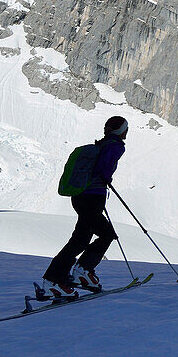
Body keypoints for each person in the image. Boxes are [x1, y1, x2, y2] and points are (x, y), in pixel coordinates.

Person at [36, 116, 128, 298]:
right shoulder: (115, 145)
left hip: (81, 196)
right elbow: (103, 169)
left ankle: (75, 274)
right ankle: (58, 279)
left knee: (83, 237)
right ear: (122, 131)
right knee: (101, 235)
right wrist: (106, 179)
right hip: (92, 197)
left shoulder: (100, 144)